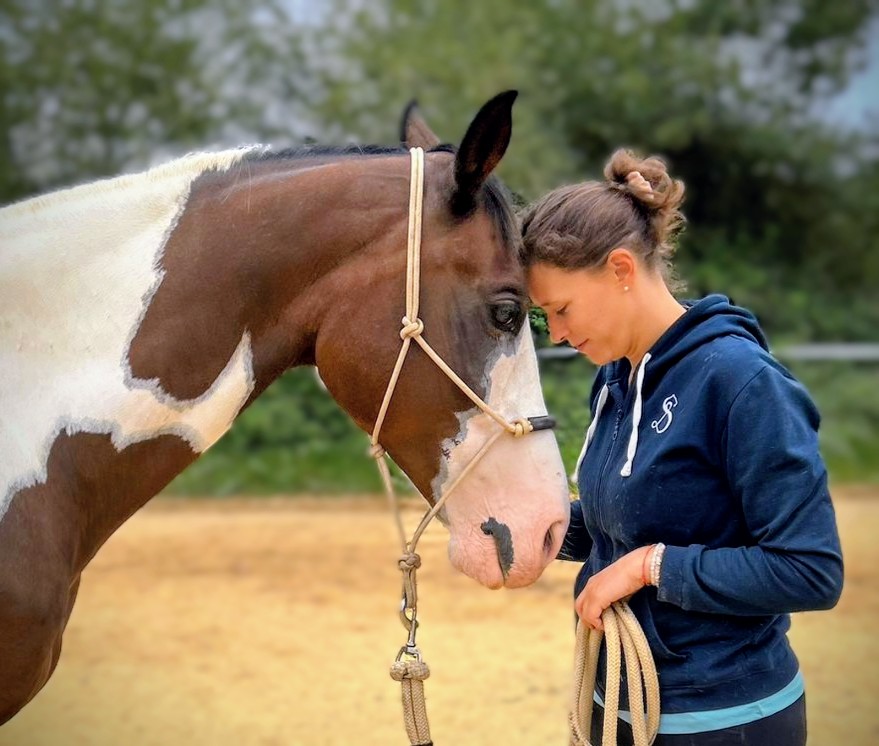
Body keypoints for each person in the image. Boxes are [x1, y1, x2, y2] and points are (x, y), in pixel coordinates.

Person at [520, 149, 844, 745]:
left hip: (724, 720)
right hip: (616, 705)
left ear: (621, 269)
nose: (558, 335)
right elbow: (623, 521)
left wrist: (650, 567)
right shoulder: (615, 378)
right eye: (547, 319)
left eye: (561, 310)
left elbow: (810, 570)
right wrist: (531, 529)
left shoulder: (743, 382)